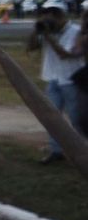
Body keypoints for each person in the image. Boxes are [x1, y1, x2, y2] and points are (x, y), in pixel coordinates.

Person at [31, 8, 83, 163]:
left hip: (71, 79)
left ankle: (81, 151)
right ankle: (56, 151)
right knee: (51, 117)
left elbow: (64, 54)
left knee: (76, 118)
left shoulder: (75, 31)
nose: (47, 20)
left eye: (50, 18)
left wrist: (48, 36)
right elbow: (31, 47)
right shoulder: (48, 30)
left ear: (60, 16)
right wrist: (37, 30)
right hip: (53, 78)